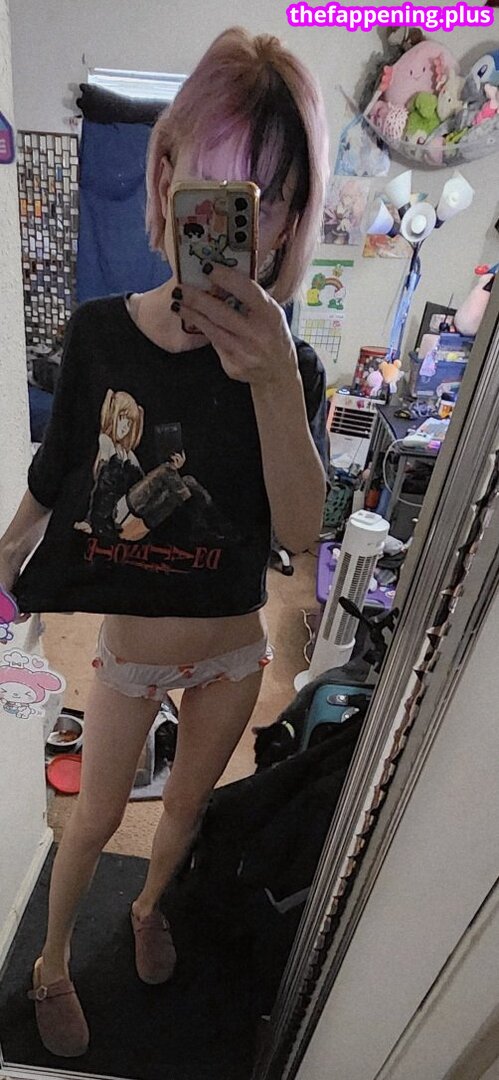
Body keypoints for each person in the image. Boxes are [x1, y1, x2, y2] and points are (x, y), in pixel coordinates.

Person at [0, 27, 329, 1057]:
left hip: (231, 648)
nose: (241, 224)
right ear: (166, 175)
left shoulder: (293, 366)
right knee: (95, 820)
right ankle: (53, 961)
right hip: (130, 652)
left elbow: (300, 532)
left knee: (184, 809)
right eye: (219, 190)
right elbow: (57, 471)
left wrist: (272, 381)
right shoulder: (101, 331)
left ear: (290, 220)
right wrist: (5, 553)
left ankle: (147, 910)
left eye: (266, 200)